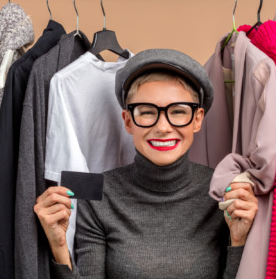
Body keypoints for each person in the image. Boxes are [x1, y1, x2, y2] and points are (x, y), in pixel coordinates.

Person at [34, 49, 259, 278]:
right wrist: (60, 249)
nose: (162, 127)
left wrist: (239, 242)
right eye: (147, 112)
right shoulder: (101, 196)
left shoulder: (222, 194)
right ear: (128, 121)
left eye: (178, 111)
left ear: (197, 119)